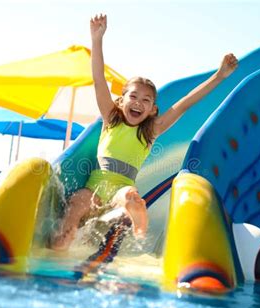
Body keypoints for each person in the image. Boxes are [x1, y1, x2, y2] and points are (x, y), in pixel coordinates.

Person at [51, 14, 238, 250]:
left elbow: (186, 102)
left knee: (131, 198)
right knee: (77, 202)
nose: (138, 103)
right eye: (133, 97)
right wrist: (96, 39)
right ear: (121, 101)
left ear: (153, 109)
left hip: (121, 191)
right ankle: (58, 247)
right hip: (95, 188)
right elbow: (99, 79)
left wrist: (219, 76)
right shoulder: (111, 119)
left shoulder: (151, 131)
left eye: (146, 100)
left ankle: (139, 237)